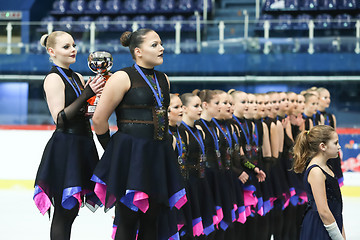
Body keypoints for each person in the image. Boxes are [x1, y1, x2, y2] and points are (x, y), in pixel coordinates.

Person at [90, 29, 186, 240]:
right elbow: (98, 119)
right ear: (138, 51)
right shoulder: (122, 77)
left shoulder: (164, 79)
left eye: (161, 43)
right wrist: (114, 151)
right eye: (154, 44)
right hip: (131, 155)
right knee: (128, 218)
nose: (161, 48)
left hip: (158, 154)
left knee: (153, 218)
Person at [33, 31, 104, 240]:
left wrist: (98, 100)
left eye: (73, 45)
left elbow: (82, 112)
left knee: (72, 211)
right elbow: (61, 119)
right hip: (66, 146)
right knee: (64, 212)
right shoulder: (53, 78)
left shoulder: (77, 77)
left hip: (83, 143)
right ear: (52, 51)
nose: (73, 49)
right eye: (66, 47)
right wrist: (86, 94)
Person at [293, 125, 345, 240]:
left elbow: (336, 210)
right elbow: (323, 211)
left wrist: (342, 234)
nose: (339, 147)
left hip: (332, 225)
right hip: (319, 227)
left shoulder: (327, 167)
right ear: (323, 146)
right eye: (335, 143)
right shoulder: (316, 171)